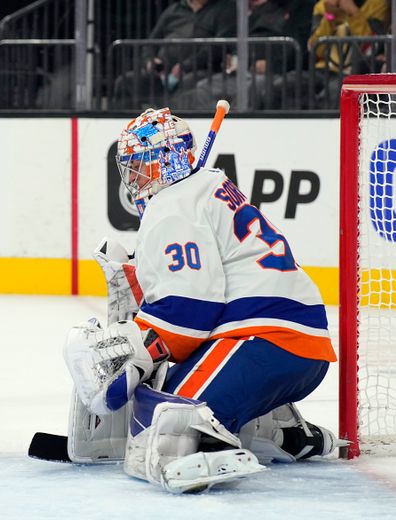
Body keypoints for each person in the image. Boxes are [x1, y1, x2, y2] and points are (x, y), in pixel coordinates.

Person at [61, 107, 343, 493]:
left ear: (168, 159)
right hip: (298, 351)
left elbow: (188, 317)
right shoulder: (207, 186)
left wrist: (137, 350)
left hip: (265, 342)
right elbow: (206, 295)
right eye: (129, 167)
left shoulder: (172, 206)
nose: (133, 177)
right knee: (167, 394)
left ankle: (248, 430)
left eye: (141, 165)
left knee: (164, 417)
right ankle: (283, 431)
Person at [112, 0, 237, 111]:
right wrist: (150, 61)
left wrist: (186, 66)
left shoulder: (225, 8)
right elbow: (150, 43)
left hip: (201, 71)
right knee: (125, 82)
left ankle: (174, 129)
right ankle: (130, 131)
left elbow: (218, 45)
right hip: (162, 73)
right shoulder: (174, 10)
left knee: (188, 85)